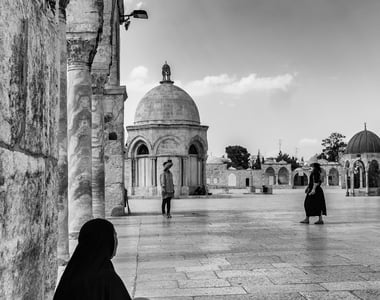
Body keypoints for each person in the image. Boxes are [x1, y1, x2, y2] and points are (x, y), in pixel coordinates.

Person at [54, 219, 132, 300]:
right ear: (105, 241)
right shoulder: (107, 277)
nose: (116, 241)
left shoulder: (71, 273)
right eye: (114, 236)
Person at [300, 160, 327, 225]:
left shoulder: (315, 171)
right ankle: (319, 219)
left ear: (314, 165)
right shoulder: (318, 171)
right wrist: (308, 187)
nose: (310, 166)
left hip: (315, 190)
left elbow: (316, 181)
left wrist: (313, 190)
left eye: (311, 165)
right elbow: (317, 181)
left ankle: (307, 219)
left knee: (307, 203)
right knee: (318, 204)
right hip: (317, 190)